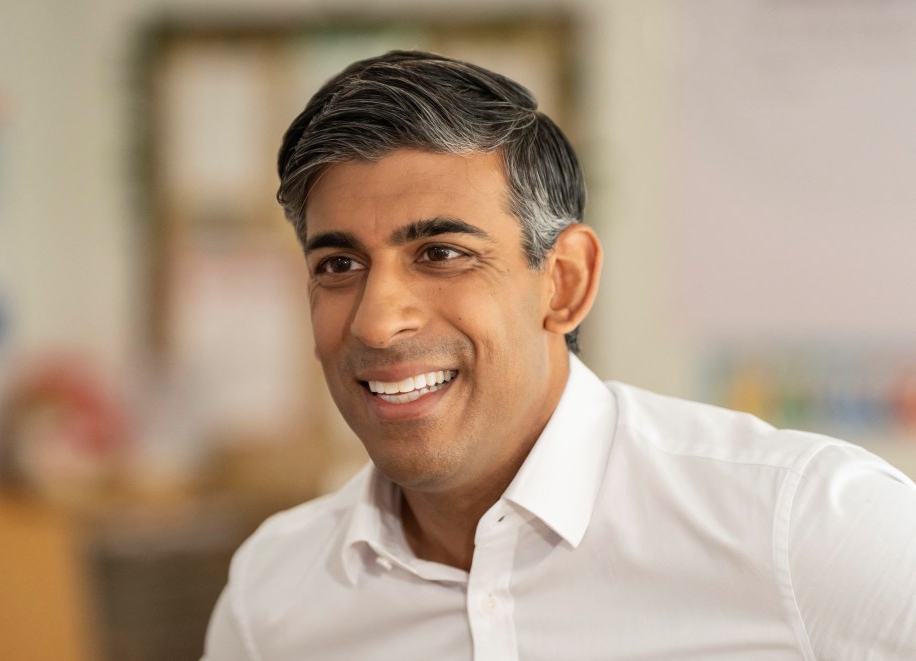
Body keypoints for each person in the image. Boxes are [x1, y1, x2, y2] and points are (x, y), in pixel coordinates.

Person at [203, 50, 916, 660]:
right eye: (338, 264)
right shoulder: (273, 599)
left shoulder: (801, 526)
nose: (379, 320)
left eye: (442, 253)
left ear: (565, 281)